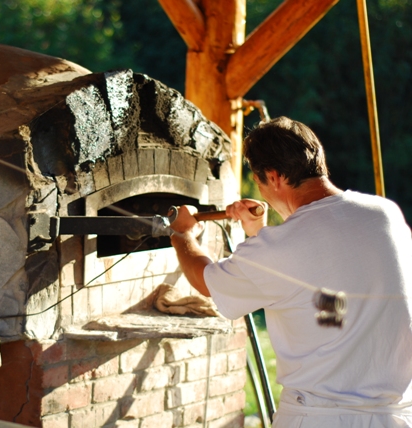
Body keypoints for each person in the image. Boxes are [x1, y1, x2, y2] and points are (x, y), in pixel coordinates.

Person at [170, 116, 412, 427]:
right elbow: (317, 262)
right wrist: (258, 231)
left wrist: (183, 235)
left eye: (259, 182)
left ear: (273, 176)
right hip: (396, 416)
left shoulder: (277, 249)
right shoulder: (385, 213)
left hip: (319, 418)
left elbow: (206, 281)